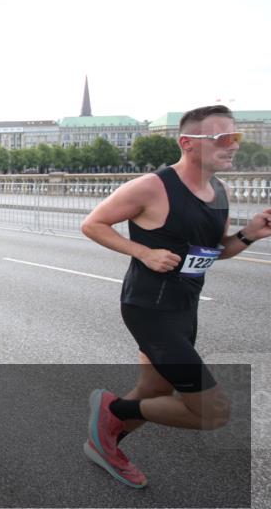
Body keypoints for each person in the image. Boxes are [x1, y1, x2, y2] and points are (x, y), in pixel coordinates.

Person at [80, 105, 271, 488]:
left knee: (154, 389)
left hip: (184, 307)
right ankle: (111, 408)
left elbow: (214, 251)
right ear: (188, 143)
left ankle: (104, 445)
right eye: (222, 138)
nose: (233, 146)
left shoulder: (220, 190)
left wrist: (249, 234)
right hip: (149, 308)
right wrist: (143, 252)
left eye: (236, 137)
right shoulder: (152, 186)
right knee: (212, 413)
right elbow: (92, 224)